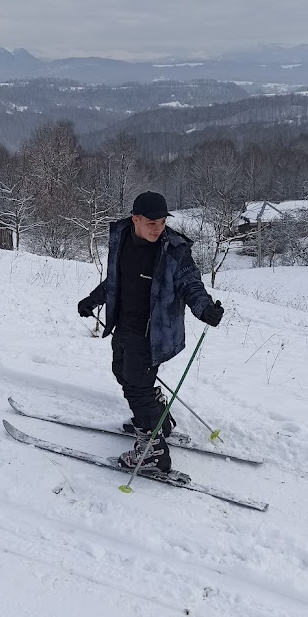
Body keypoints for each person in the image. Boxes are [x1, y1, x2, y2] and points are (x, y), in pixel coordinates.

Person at [77, 191, 224, 474]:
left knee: (136, 386)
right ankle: (158, 418)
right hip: (125, 324)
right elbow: (115, 279)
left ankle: (152, 454)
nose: (158, 228)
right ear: (136, 220)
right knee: (121, 371)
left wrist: (204, 309)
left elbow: (190, 284)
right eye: (151, 223)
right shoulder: (121, 238)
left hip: (153, 332)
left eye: (162, 222)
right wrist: (93, 300)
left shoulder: (174, 250)